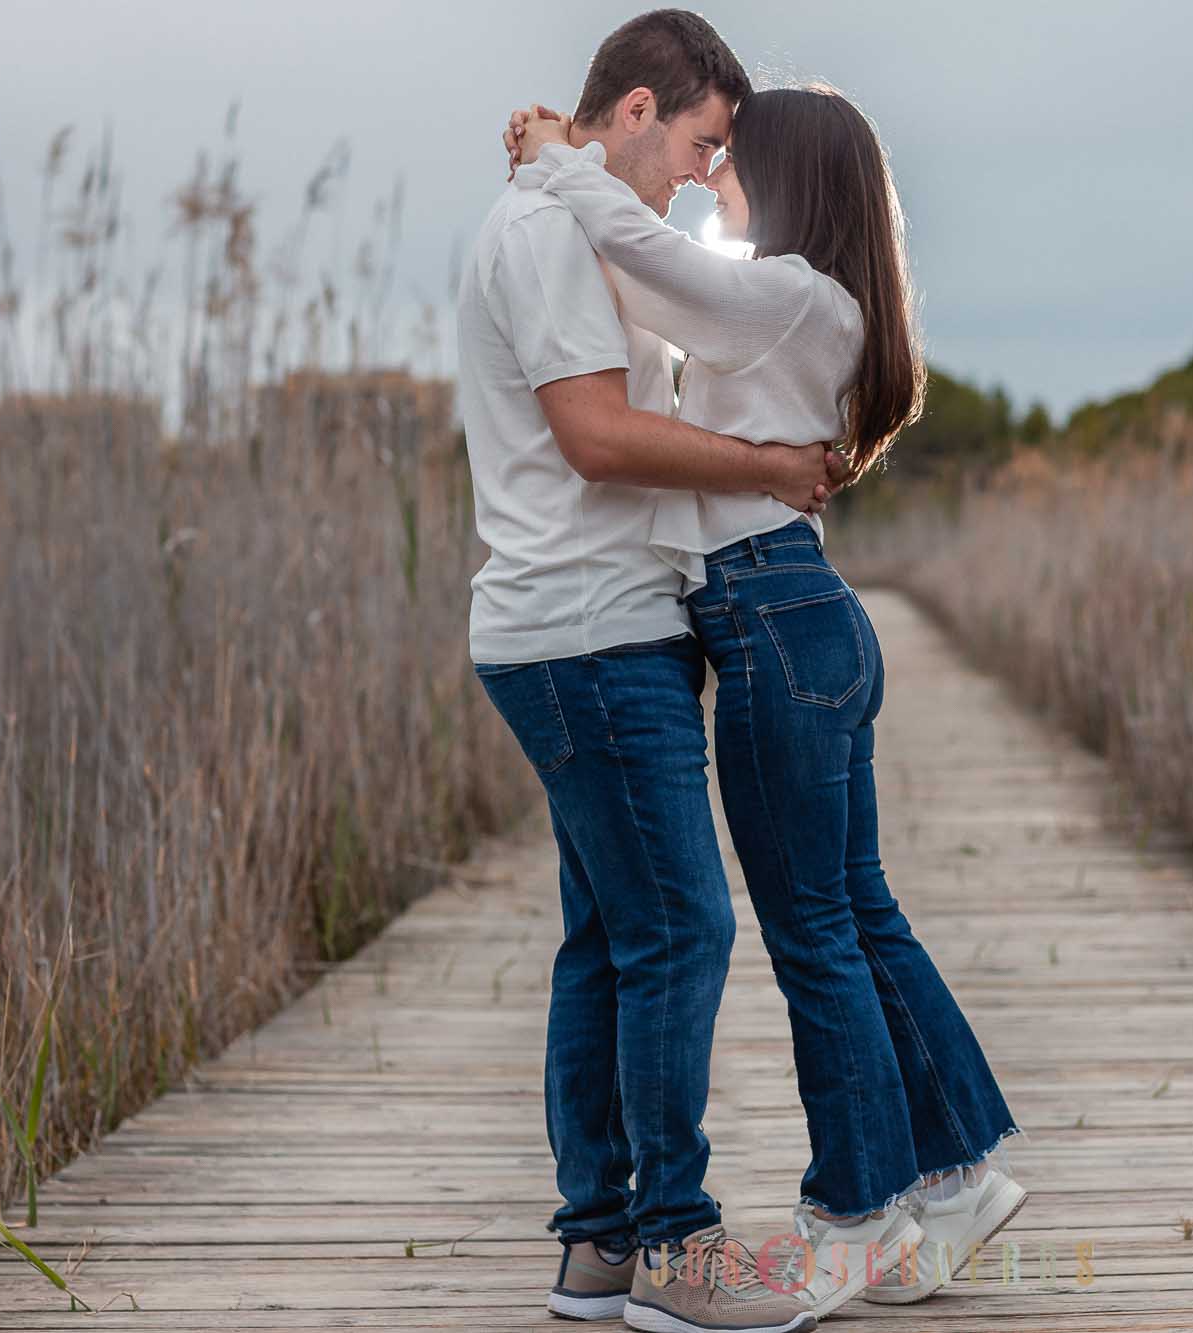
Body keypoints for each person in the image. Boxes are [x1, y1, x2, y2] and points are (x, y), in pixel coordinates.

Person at [502, 76, 1027, 1318]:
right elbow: (648, 285)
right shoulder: (808, 306)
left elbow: (634, 251)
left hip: (763, 616)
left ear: (785, 175)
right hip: (799, 613)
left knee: (812, 934)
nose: (712, 173)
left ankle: (857, 1208)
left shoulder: (787, 297)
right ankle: (951, 1173)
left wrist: (549, 157)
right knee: (855, 910)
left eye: (731, 155)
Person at [457, 12, 841, 1332]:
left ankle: (601, 1249)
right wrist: (775, 471)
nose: (697, 171)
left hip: (598, 626)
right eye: (697, 141)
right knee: (682, 926)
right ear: (633, 111)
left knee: (613, 942)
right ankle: (677, 1254)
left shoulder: (583, 226)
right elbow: (600, 440)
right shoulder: (550, 236)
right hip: (586, 631)